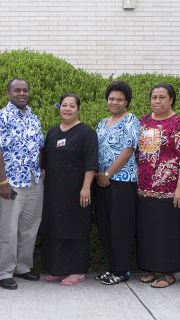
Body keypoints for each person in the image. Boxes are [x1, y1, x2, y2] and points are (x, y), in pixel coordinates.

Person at [0, 78, 44, 290]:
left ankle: (23, 267)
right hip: (11, 182)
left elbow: (39, 147)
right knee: (8, 229)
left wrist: (41, 171)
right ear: (8, 93)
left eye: (25, 89)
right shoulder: (0, 117)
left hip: (33, 181)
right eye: (17, 90)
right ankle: (3, 273)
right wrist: (3, 181)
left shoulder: (33, 117)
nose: (22, 93)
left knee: (30, 227)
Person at [40, 93, 98, 285]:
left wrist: (86, 188)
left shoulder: (86, 133)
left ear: (78, 109)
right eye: (64, 105)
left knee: (75, 228)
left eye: (72, 106)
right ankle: (58, 269)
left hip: (77, 191)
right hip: (54, 192)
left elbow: (91, 164)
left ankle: (77, 270)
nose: (67, 109)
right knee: (55, 228)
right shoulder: (53, 132)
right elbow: (46, 163)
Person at [95, 81, 140, 285]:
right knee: (105, 226)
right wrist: (98, 175)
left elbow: (128, 150)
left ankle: (122, 271)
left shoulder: (131, 120)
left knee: (120, 227)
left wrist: (108, 173)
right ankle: (113, 267)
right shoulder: (103, 123)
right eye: (111, 98)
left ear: (126, 102)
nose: (114, 102)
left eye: (119, 99)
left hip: (122, 182)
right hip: (102, 182)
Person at [137, 83, 180, 288]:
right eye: (154, 97)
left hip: (168, 189)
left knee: (166, 231)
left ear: (171, 99)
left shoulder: (177, 122)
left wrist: (179, 188)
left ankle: (167, 273)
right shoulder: (143, 121)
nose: (157, 101)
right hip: (144, 187)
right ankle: (154, 270)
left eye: (162, 97)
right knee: (149, 231)